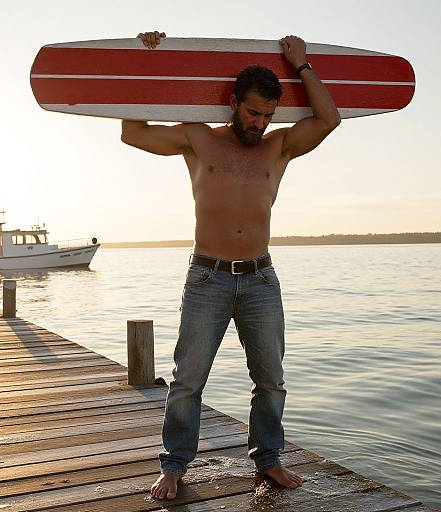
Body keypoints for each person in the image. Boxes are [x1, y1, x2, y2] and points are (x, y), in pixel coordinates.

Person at [121, 30, 341, 500]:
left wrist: (301, 64)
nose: (260, 122)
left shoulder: (278, 147)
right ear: (233, 102)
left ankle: (269, 460)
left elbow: (329, 118)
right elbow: (132, 133)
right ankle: (174, 466)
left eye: (267, 115)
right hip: (208, 277)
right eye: (252, 111)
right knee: (187, 381)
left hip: (261, 278)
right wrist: (148, 60)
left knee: (271, 381)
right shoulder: (198, 139)